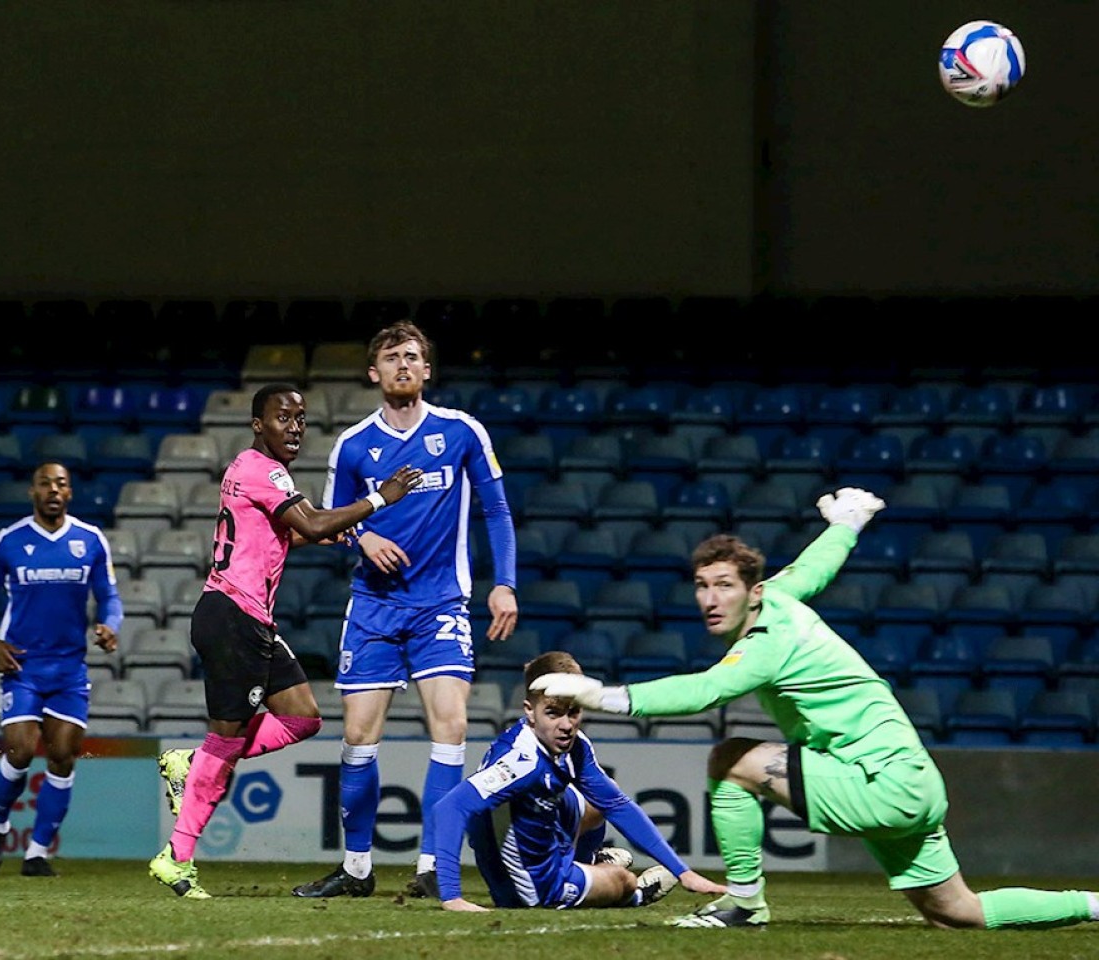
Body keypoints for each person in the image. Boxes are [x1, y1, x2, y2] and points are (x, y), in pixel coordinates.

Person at [532, 486, 1099, 931]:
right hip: (909, 779)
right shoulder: (778, 596)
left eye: (724, 585)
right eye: (702, 585)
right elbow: (814, 568)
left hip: (879, 781)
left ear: (752, 592)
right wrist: (846, 525)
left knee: (730, 760)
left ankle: (745, 904)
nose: (710, 598)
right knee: (958, 912)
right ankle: (1092, 905)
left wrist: (599, 695)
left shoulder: (765, 644)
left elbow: (704, 691)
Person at [149, 382, 424, 899]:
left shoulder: (250, 469)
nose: (295, 427)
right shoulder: (265, 469)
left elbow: (285, 532)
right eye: (283, 417)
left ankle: (194, 762)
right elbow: (312, 522)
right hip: (234, 617)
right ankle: (176, 857)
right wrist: (378, 499)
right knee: (224, 745)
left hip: (248, 618)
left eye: (300, 418)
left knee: (302, 717)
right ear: (258, 425)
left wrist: (325, 533)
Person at [291, 322, 519, 901]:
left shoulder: (460, 431)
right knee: (358, 737)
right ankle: (356, 869)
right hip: (373, 607)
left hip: (440, 603)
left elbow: (496, 510)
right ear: (374, 372)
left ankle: (432, 865)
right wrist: (362, 536)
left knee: (452, 726)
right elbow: (328, 522)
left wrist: (504, 585)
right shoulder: (353, 445)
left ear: (427, 370)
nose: (402, 365)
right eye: (391, 357)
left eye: (412, 356)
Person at [433, 650, 726, 911]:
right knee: (622, 880)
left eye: (573, 712)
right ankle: (636, 895)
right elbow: (449, 808)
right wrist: (452, 896)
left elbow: (616, 805)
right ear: (529, 711)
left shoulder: (574, 747)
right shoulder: (522, 762)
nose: (566, 725)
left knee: (599, 801)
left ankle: (587, 862)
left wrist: (684, 872)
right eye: (553, 713)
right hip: (536, 885)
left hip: (538, 830)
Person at [0, 460, 124, 878]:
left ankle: (36, 853)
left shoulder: (90, 540)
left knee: (62, 757)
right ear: (32, 492)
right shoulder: (9, 541)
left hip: (69, 668)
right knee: (19, 750)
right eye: (44, 483)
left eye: (61, 484)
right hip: (23, 664)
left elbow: (109, 595)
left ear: (69, 492)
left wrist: (111, 625)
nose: (53, 490)